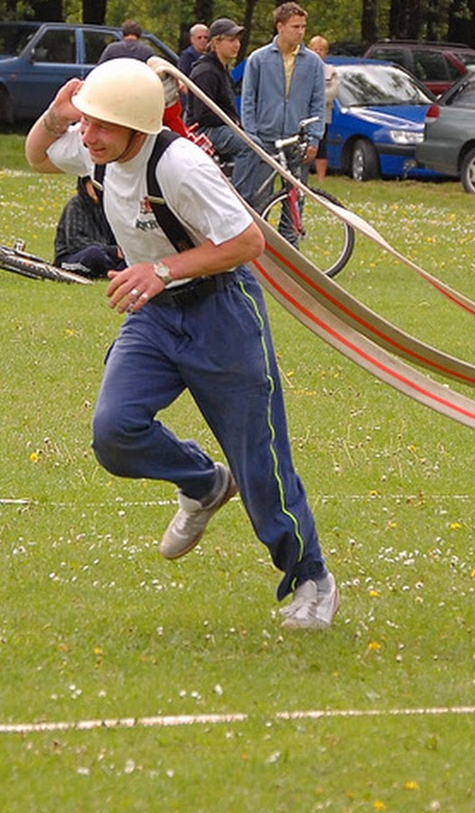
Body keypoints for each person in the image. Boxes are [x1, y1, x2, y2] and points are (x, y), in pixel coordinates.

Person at [25, 57, 339, 629]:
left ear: (138, 128)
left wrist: (163, 270)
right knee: (114, 433)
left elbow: (247, 243)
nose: (87, 135)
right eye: (86, 122)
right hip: (156, 317)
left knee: (260, 460)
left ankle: (311, 579)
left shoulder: (181, 165)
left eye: (99, 125)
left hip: (222, 309)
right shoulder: (98, 147)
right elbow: (38, 154)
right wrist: (55, 115)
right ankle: (202, 483)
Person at [240, 1, 325, 209]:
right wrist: (252, 136)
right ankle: (261, 241)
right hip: (265, 139)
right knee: (261, 200)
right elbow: (248, 100)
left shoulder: (313, 62)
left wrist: (314, 138)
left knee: (295, 202)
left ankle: (290, 241)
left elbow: (318, 102)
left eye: (303, 27)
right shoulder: (258, 59)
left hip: (297, 140)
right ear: (280, 27)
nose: (301, 32)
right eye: (295, 27)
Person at [187, 17, 255, 197]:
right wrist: (232, 121)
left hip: (217, 127)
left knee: (258, 144)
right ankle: (241, 202)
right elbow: (202, 114)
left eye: (238, 40)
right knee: (250, 146)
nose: (237, 45)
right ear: (216, 42)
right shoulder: (207, 71)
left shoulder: (221, 69)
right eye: (231, 40)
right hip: (203, 131)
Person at [53, 175, 125, 278]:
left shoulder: (109, 206)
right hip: (73, 256)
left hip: (106, 255)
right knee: (94, 254)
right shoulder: (76, 205)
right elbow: (75, 243)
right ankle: (110, 270)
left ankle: (111, 270)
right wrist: (112, 250)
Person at [307, 34, 338, 183]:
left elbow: (332, 93)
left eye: (321, 49)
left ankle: (321, 178)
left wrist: (314, 97)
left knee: (321, 146)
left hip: (323, 116)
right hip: (303, 116)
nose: (318, 52)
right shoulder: (302, 68)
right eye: (315, 49)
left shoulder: (331, 71)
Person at [178, 22, 209, 120]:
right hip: (189, 103)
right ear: (192, 40)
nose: (203, 40)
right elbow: (181, 79)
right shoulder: (187, 56)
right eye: (199, 38)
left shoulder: (209, 57)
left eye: (205, 37)